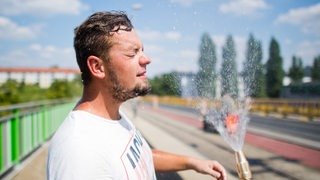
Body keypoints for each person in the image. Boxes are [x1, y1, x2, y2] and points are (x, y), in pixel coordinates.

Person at [46, 11, 227, 180]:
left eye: (142, 50)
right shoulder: (79, 149)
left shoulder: (113, 116)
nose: (146, 59)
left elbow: (138, 156)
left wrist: (192, 162)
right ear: (97, 67)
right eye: (132, 53)